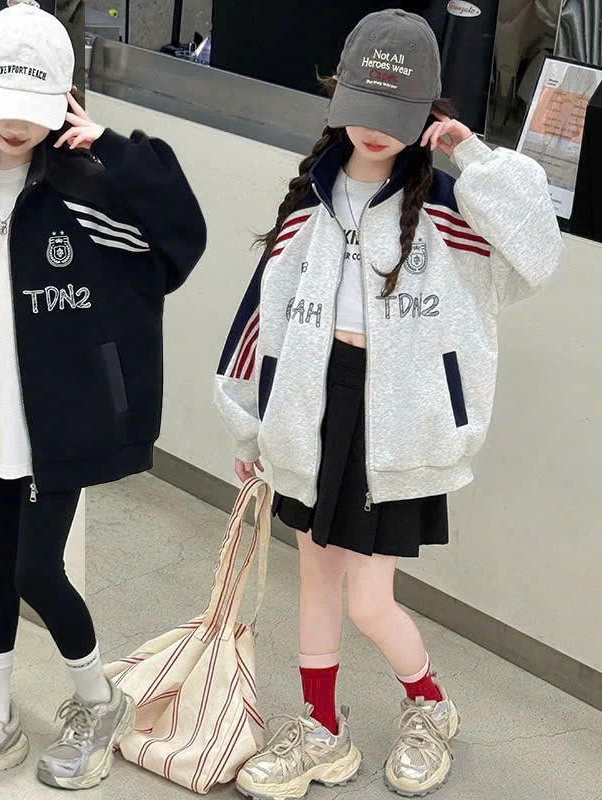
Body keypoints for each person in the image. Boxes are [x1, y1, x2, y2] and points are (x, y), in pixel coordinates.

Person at [215, 9, 562, 798]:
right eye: (363, 106)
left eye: (396, 113)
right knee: (314, 579)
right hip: (311, 409)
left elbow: (538, 250)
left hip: (402, 423)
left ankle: (430, 704)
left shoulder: (453, 207)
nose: (375, 129)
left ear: (427, 114)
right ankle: (320, 729)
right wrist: (248, 423)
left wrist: (474, 156)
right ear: (338, 97)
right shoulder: (312, 199)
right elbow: (261, 316)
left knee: (370, 600)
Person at [0, 3, 205, 795]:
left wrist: (117, 150)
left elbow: (179, 240)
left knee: (34, 569)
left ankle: (100, 702)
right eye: (1, 105)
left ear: (63, 102)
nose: (15, 125)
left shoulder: (89, 193)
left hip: (60, 426)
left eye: (34, 108)